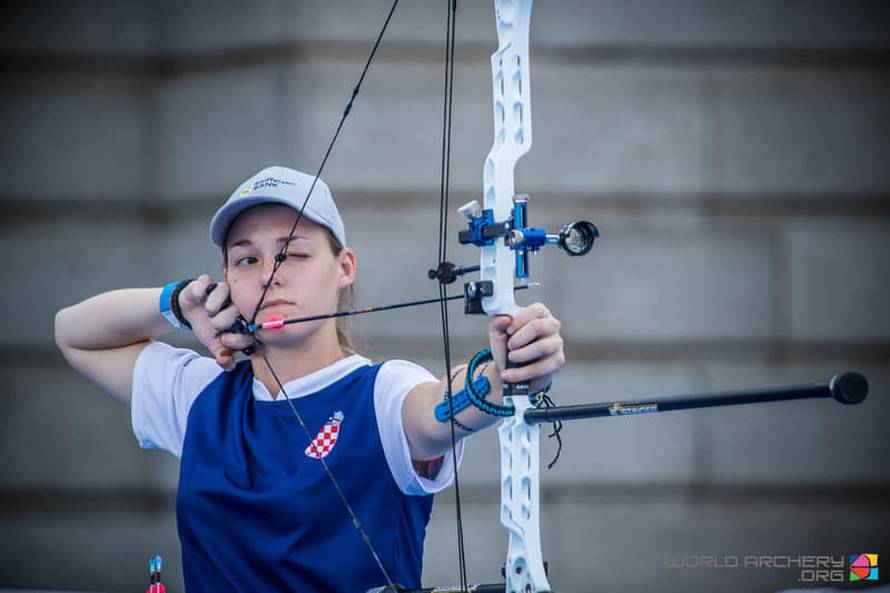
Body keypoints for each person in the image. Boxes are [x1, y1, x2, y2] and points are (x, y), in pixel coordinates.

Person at [54, 165, 566, 593]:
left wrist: (502, 375)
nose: (268, 274)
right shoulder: (202, 393)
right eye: (246, 259)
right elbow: (73, 334)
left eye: (293, 253)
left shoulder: (382, 394)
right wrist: (176, 302)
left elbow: (438, 408)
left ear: (344, 267)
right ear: (227, 281)